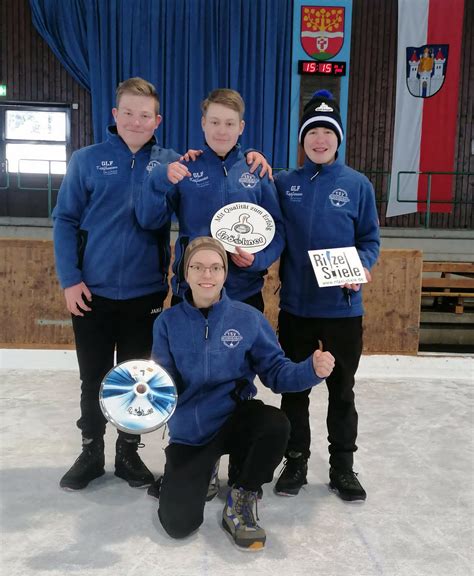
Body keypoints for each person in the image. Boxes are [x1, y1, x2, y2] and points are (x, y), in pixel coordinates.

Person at [53, 77, 271, 492]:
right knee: (93, 375)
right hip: (91, 292)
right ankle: (90, 450)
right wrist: (70, 278)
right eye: (129, 113)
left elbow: (164, 209)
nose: (137, 121)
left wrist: (249, 157)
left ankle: (128, 450)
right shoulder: (85, 160)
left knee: (140, 377)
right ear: (115, 116)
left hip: (147, 293)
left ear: (158, 120)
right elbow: (64, 220)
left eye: (146, 115)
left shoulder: (173, 160)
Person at [150, 237, 335, 550]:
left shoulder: (248, 319)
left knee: (275, 424)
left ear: (225, 274)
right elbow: (162, 381)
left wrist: (311, 370)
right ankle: (202, 470)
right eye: (197, 267)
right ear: (186, 272)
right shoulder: (168, 323)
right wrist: (140, 398)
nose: (206, 274)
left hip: (233, 418)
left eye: (215, 267)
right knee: (178, 525)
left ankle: (242, 496)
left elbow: (276, 372)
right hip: (191, 432)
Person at [273, 90, 380, 501]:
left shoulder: (357, 185)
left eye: (327, 131)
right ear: (303, 140)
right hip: (297, 310)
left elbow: (369, 239)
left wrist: (362, 267)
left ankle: (343, 468)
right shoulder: (285, 184)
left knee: (341, 392)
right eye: (312, 132)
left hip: (342, 311)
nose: (320, 139)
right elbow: (271, 230)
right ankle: (296, 461)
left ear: (338, 139)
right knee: (294, 392)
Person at [136, 88, 284, 313]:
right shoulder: (185, 168)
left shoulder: (257, 170)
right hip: (191, 292)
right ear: (203, 123)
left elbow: (278, 229)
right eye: (215, 122)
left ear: (241, 127)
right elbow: (151, 220)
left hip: (244, 294)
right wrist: (158, 182)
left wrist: (258, 260)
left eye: (229, 124)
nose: (222, 131)